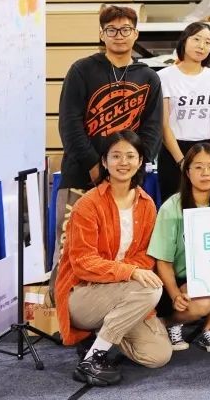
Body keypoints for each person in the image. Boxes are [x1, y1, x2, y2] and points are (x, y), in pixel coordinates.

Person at [54, 132, 172, 387]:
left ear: (140, 161)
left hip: (124, 293)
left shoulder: (147, 204)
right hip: (83, 293)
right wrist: (128, 273)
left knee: (158, 355)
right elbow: (83, 262)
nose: (123, 162)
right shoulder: (87, 204)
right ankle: (93, 358)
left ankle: (105, 333)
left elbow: (146, 257)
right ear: (104, 162)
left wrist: (127, 276)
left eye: (130, 156)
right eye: (116, 156)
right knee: (151, 288)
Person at [54, 5, 163, 270]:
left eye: (125, 29)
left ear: (135, 34)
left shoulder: (149, 77)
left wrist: (132, 167)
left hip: (127, 182)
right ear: (102, 34)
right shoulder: (81, 70)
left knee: (122, 251)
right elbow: (69, 124)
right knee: (70, 254)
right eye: (111, 30)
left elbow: (153, 129)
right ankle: (63, 299)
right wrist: (94, 166)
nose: (119, 36)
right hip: (81, 177)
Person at [148, 143, 210, 353]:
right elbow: (163, 261)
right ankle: (169, 322)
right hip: (176, 280)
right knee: (202, 304)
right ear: (187, 172)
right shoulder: (171, 208)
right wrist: (175, 294)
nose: (206, 173)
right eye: (198, 167)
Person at [157, 21, 210, 203]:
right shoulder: (164, 76)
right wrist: (182, 162)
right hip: (174, 151)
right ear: (184, 40)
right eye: (196, 39)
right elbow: (164, 125)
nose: (201, 46)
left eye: (208, 42)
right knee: (175, 207)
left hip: (207, 149)